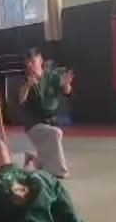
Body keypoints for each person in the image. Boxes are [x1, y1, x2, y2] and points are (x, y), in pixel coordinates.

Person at [18, 48, 74, 178]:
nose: (30, 65)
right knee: (55, 133)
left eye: (32, 61)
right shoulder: (26, 79)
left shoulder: (52, 77)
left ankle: (33, 160)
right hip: (33, 124)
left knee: (53, 136)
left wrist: (67, 84)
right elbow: (21, 99)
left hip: (50, 121)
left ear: (40, 60)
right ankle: (59, 171)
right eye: (27, 63)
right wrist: (27, 86)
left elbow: (67, 91)